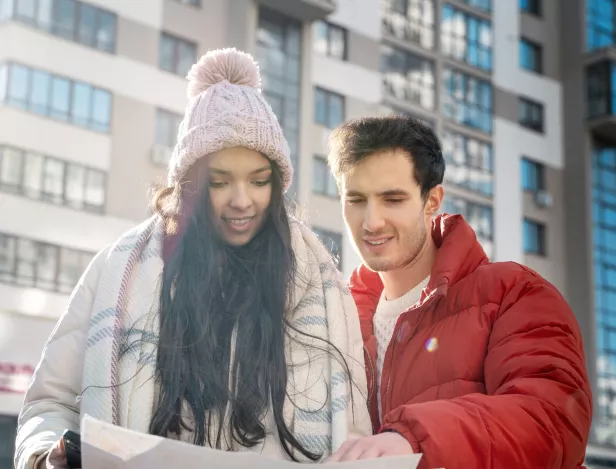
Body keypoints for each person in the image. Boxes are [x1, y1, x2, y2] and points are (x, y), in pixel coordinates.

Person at [14, 48, 371, 469]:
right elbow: (48, 403)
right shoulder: (116, 271)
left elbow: (353, 437)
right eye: (220, 182)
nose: (243, 201)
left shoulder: (321, 285)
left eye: (259, 181)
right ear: (190, 186)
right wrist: (45, 455)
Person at [325, 115, 593, 469]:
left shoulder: (515, 294)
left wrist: (413, 439)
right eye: (356, 199)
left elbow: (551, 420)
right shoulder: (334, 319)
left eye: (392, 199)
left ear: (432, 200)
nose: (372, 221)